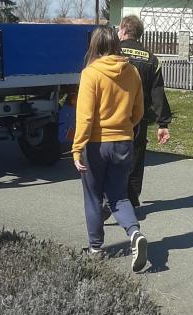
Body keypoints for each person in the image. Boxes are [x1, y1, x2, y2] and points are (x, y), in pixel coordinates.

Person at [72, 25, 148, 272]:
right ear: (117, 44)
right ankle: (134, 233)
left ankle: (95, 249)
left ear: (94, 46)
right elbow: (139, 111)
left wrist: (77, 148)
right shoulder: (132, 72)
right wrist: (127, 127)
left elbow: (85, 117)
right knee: (119, 197)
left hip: (96, 144)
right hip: (124, 142)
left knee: (94, 197)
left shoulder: (91, 73)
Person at [116, 14, 172, 209]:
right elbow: (158, 93)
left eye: (119, 29)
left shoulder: (112, 52)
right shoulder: (151, 59)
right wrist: (163, 123)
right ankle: (131, 201)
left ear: (124, 30)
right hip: (139, 117)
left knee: (112, 156)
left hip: (113, 115)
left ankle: (111, 200)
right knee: (136, 158)